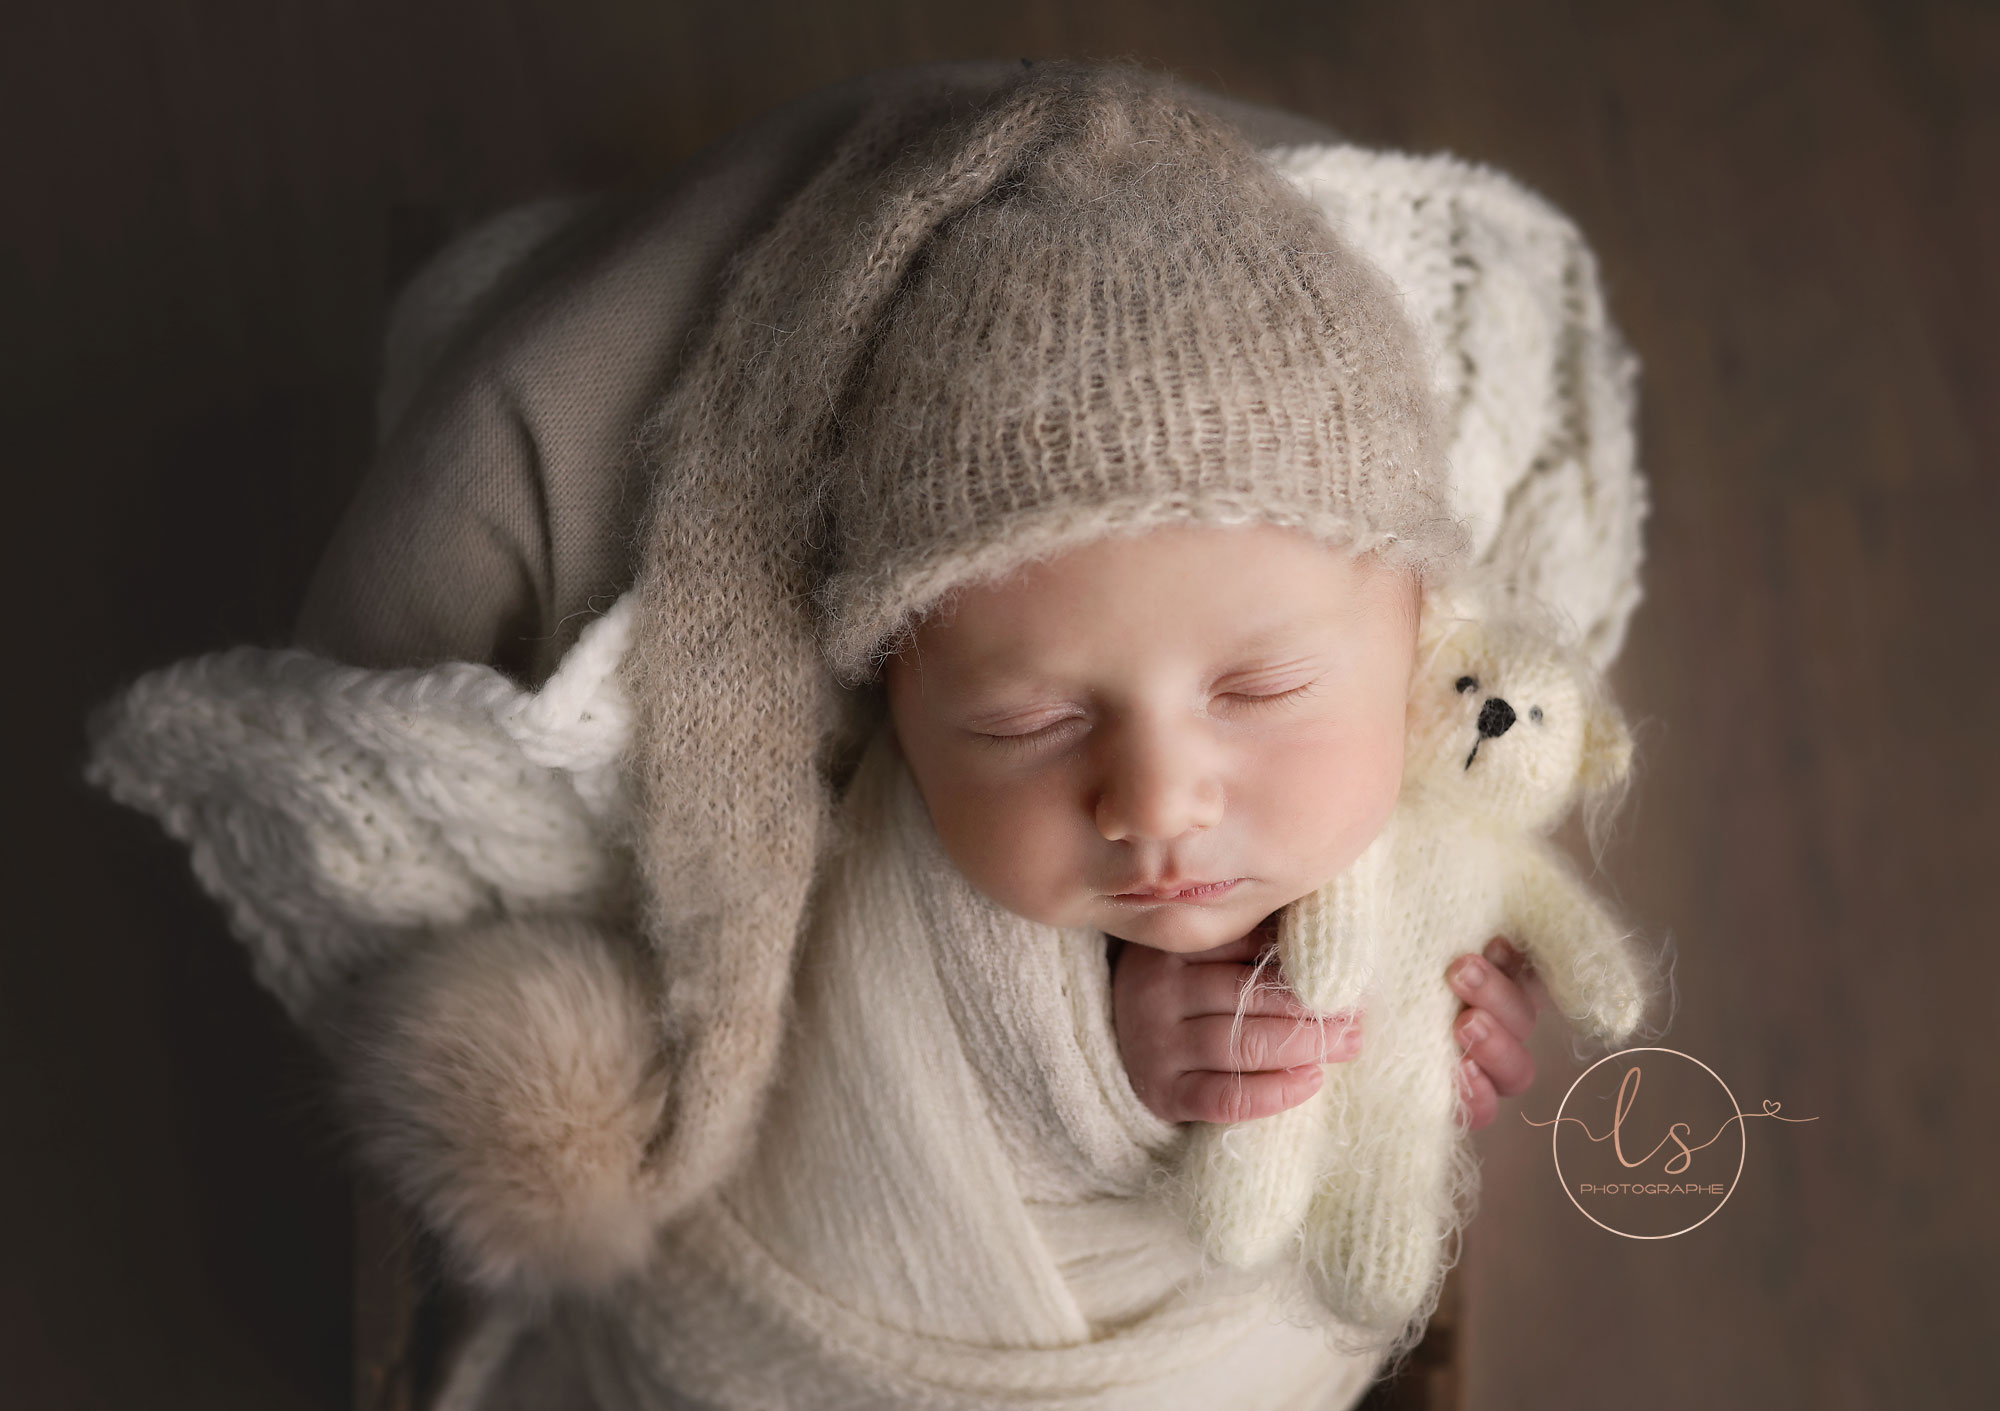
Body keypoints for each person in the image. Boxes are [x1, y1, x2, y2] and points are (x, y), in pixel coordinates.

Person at [89, 56, 1643, 1411]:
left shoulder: (1433, 778)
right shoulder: (856, 836)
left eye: (1258, 694)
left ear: (1418, 638)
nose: (1155, 799)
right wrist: (1095, 1075)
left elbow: (1368, 1192)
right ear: (898, 699)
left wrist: (1437, 1050)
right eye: (1029, 720)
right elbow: (829, 1069)